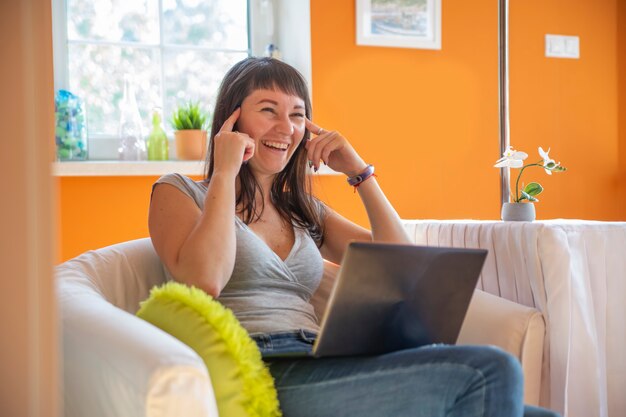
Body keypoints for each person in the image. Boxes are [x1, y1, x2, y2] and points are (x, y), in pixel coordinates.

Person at [149, 57, 559, 417]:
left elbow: (404, 269)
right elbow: (204, 280)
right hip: (262, 368)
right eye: (268, 110)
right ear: (231, 119)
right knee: (492, 370)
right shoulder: (180, 192)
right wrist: (225, 171)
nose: (286, 128)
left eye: (297, 114)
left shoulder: (303, 208)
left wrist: (360, 174)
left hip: (322, 359)